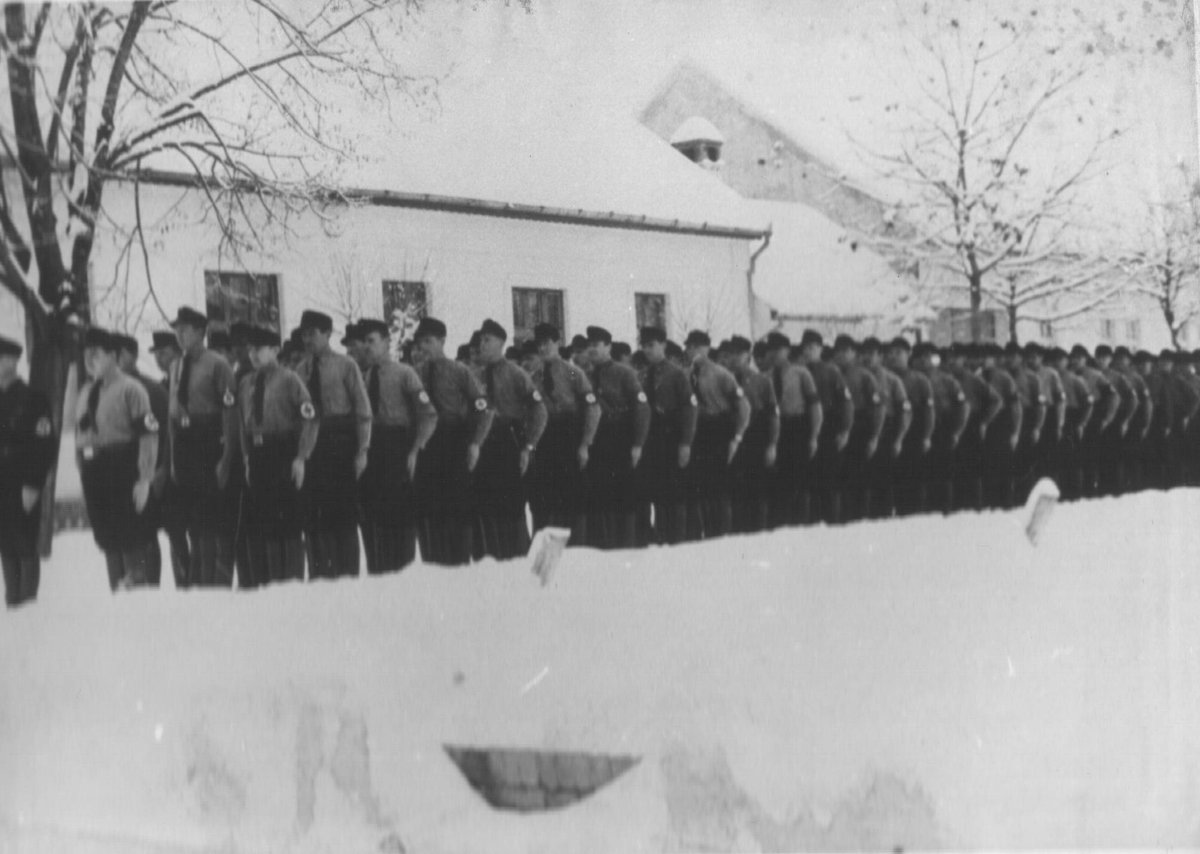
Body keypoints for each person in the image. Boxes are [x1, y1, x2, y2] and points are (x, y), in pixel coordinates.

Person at [76, 328, 160, 591]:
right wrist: (84, 471)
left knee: (131, 539)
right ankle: (118, 598)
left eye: (96, 354)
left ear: (112, 355)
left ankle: (137, 601)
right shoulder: (87, 392)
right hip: (96, 474)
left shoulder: (131, 389)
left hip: (123, 471)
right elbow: (81, 436)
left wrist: (144, 479)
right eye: (86, 354)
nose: (89, 360)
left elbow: (148, 436)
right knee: (108, 541)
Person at [237, 325, 319, 584]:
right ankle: (270, 584)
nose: (253, 354)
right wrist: (247, 457)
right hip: (258, 455)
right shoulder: (246, 383)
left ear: (274, 350)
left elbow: (310, 418)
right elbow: (242, 424)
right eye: (250, 349)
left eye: (259, 349)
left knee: (288, 523)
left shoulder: (289, 379)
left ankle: (291, 583)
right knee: (263, 522)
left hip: (282, 453)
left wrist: (301, 457)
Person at [356, 318, 437, 574]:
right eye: (364, 342)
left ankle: (402, 574)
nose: (367, 347)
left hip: (397, 448)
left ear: (386, 342)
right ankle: (379, 573)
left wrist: (416, 449)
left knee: (399, 517)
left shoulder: (405, 373)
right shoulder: (363, 376)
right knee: (375, 516)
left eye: (372, 341)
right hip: (373, 449)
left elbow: (428, 414)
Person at [295, 309, 372, 579]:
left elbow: (363, 411)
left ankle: (347, 577)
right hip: (312, 448)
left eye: (313, 334)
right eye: (304, 335)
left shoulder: (346, 365)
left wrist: (362, 450)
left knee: (343, 518)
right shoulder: (300, 370)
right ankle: (320, 576)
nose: (307, 340)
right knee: (315, 518)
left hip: (340, 447)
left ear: (327, 334)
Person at [168, 307, 240, 587]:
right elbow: (173, 414)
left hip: (208, 442)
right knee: (192, 519)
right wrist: (174, 456)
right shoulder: (176, 366)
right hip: (185, 444)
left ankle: (213, 581)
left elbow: (230, 412)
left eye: (184, 330)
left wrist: (226, 456)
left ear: (201, 332)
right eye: (176, 330)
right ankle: (197, 579)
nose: (179, 335)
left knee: (211, 519)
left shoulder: (217, 365)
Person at [412, 317, 493, 565]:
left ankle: (458, 562)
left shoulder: (459, 371)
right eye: (421, 342)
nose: (423, 347)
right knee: (429, 508)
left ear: (442, 341)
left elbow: (483, 409)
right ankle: (434, 563)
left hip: (453, 443)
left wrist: (475, 443)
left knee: (457, 507)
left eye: (428, 341)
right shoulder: (415, 374)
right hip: (427, 445)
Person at [472, 318, 547, 560]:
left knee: (511, 506)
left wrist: (529, 446)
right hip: (482, 444)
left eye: (488, 340)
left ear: (501, 343)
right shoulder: (474, 375)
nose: (482, 345)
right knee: (485, 505)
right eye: (481, 340)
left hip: (508, 442)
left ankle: (517, 559)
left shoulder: (516, 374)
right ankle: (491, 560)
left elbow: (539, 410)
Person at [529, 323, 601, 542]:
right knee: (544, 498)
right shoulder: (535, 376)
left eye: (547, 343)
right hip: (545, 440)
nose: (543, 348)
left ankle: (576, 547)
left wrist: (585, 443)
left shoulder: (572, 371)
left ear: (557, 343)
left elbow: (592, 408)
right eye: (539, 344)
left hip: (569, 437)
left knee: (571, 498)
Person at [0, 334, 55, 608]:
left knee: (24, 543)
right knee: (5, 544)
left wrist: (33, 485)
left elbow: (44, 446)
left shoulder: (34, 399)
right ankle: (13, 601)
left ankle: (28, 607)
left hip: (22, 483)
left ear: (13, 361)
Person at [584, 325, 651, 549]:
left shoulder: (624, 373)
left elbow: (642, 408)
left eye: (596, 344)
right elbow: (572, 379)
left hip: (619, 438)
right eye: (589, 345)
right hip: (596, 440)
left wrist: (638, 444)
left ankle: (627, 546)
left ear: (608, 347)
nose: (591, 349)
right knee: (600, 495)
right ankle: (606, 546)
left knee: (623, 494)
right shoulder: (583, 373)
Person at [683, 330, 750, 539]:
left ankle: (721, 534)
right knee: (699, 485)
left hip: (717, 430)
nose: (691, 351)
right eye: (689, 346)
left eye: (696, 346)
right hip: (697, 431)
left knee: (718, 487)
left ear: (706, 348)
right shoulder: (686, 374)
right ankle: (705, 532)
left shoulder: (721, 374)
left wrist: (737, 437)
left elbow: (743, 407)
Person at [637, 326, 698, 544]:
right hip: (651, 440)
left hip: (671, 437)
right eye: (644, 346)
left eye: (651, 345)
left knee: (675, 492)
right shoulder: (643, 374)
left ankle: (677, 540)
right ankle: (662, 537)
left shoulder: (676, 374)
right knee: (657, 492)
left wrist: (685, 443)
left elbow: (690, 409)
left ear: (663, 345)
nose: (647, 350)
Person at [116, 333, 167, 585]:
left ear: (132, 356)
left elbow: (165, 434)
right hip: (117, 475)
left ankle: (149, 590)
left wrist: (158, 471)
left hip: (144, 475)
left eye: (118, 353)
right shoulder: (107, 390)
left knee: (145, 534)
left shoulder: (151, 390)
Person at [764, 332, 821, 527]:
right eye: (771, 350)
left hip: (797, 428)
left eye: (778, 349)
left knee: (799, 479)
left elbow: (814, 406)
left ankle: (801, 525)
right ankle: (782, 525)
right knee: (778, 481)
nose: (774, 354)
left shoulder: (801, 373)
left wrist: (813, 436)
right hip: (776, 428)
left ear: (787, 350)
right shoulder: (765, 376)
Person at [723, 335, 779, 534]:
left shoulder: (761, 381)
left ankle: (759, 534)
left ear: (748, 355)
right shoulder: (723, 379)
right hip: (731, 439)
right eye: (730, 353)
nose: (734, 358)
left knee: (757, 492)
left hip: (755, 439)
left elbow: (773, 415)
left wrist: (772, 444)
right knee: (733, 493)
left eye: (739, 353)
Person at [148, 330, 190, 585]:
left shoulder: (187, 382)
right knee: (175, 530)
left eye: (164, 353)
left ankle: (193, 579)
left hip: (188, 464)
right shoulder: (161, 387)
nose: (159, 359)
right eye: (156, 354)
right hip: (167, 468)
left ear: (177, 353)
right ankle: (183, 581)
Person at [797, 330, 852, 523]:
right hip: (804, 428)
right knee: (808, 481)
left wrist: (845, 430)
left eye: (812, 347)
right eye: (805, 348)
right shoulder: (798, 370)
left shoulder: (831, 371)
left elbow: (845, 402)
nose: (808, 351)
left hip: (828, 429)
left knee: (829, 480)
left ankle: (831, 523)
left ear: (820, 349)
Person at [831, 335, 884, 521]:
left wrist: (874, 437)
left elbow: (877, 408)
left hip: (860, 429)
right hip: (836, 427)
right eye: (838, 351)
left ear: (854, 353)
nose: (841, 355)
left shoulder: (864, 375)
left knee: (859, 477)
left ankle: (860, 518)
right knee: (838, 477)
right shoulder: (832, 372)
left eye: (846, 351)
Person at [913, 342, 968, 514]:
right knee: (918, 474)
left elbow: (962, 406)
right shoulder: (910, 379)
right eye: (921, 357)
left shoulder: (947, 380)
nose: (925, 361)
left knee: (943, 472)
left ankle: (944, 510)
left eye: (929, 356)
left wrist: (957, 431)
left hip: (941, 429)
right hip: (916, 429)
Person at [944, 343, 1000, 511]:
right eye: (949, 358)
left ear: (963, 359)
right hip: (950, 423)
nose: (952, 361)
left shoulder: (972, 379)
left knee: (971, 467)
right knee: (951, 467)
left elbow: (996, 400)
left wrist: (984, 422)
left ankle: (974, 506)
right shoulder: (944, 377)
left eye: (956, 358)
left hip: (970, 425)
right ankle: (955, 506)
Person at [861, 336, 911, 518]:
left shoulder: (892, 380)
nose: (867, 358)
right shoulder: (858, 376)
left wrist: (899, 439)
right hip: (862, 429)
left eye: (872, 354)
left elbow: (904, 411)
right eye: (864, 353)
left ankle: (884, 517)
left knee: (883, 478)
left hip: (886, 432)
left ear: (881, 356)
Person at [885, 337, 934, 516]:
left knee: (912, 478)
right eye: (891, 353)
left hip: (913, 434)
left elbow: (929, 410)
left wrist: (927, 436)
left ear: (908, 355)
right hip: (890, 432)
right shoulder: (884, 377)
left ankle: (912, 516)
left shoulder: (919, 380)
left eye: (898, 353)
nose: (893, 356)